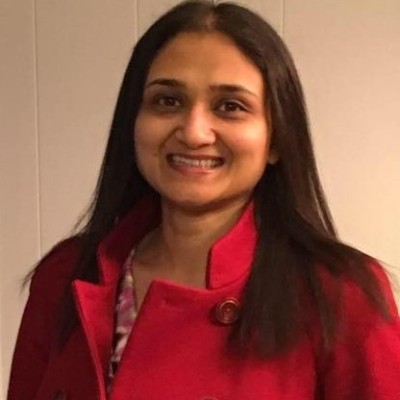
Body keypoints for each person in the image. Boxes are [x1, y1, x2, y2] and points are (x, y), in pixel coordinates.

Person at [7, 1, 400, 399]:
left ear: (276, 139)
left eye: (230, 107)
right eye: (168, 101)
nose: (194, 133)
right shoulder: (65, 275)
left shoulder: (341, 295)